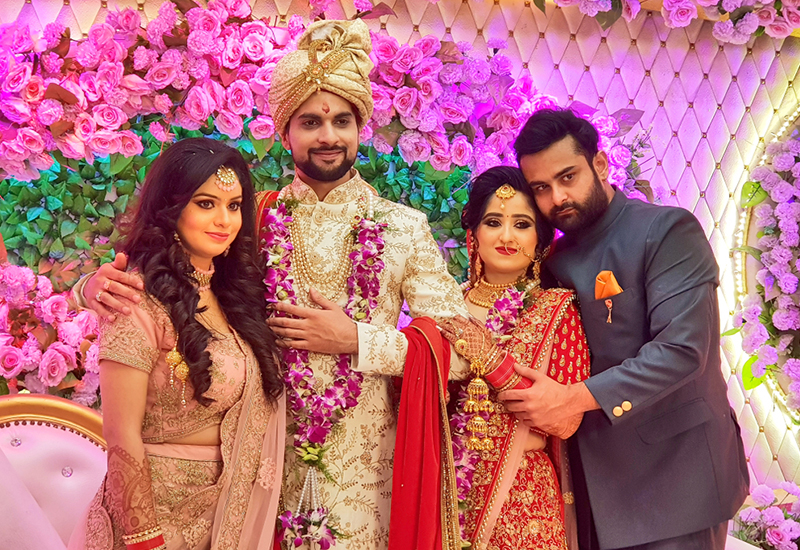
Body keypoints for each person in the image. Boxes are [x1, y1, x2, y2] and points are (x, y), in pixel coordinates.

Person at [75, 20, 474, 550]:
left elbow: (463, 349)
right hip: (256, 476)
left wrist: (358, 339)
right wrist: (90, 286)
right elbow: (170, 272)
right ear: (285, 133)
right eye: (310, 121)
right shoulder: (250, 218)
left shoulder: (404, 228)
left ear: (361, 129)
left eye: (342, 121)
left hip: (366, 480)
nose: (328, 136)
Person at [498, 108, 749, 550]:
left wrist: (569, 399)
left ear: (599, 164)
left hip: (676, 480)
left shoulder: (666, 230)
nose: (558, 197)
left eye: (568, 177)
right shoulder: (554, 261)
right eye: (541, 188)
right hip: (593, 485)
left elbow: (682, 351)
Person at [68, 138, 286, 550]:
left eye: (234, 206)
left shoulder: (238, 298)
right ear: (171, 209)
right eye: (205, 204)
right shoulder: (134, 300)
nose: (224, 220)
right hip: (154, 522)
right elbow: (120, 435)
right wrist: (144, 538)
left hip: (224, 518)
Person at [441, 166, 590, 550]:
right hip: (447, 489)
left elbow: (567, 422)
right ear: (474, 234)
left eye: (522, 224)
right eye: (493, 222)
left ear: (540, 240)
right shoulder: (444, 309)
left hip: (523, 499)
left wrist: (493, 362)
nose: (506, 236)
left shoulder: (556, 310)